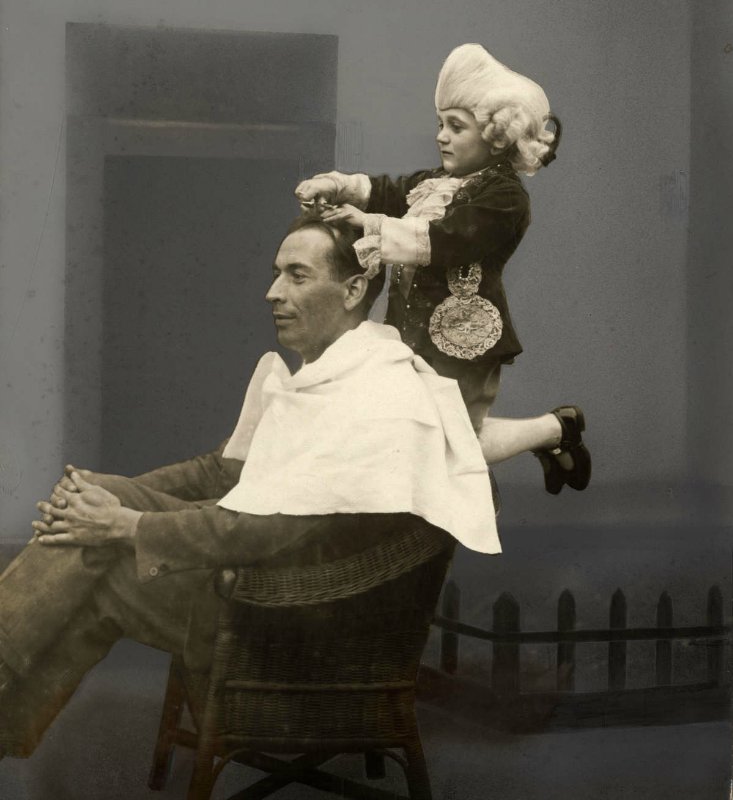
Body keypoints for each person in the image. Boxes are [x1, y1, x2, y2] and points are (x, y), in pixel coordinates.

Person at [0, 215, 500, 759]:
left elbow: (271, 531)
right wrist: (97, 501)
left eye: (297, 276)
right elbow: (228, 473)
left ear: (354, 289)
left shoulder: (377, 394)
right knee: (92, 541)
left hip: (285, 619)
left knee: (98, 560)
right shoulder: (335, 374)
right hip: (263, 587)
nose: (273, 292)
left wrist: (124, 523)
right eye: (276, 274)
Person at [295, 43, 590, 496]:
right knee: (417, 431)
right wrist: (336, 186)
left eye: (456, 126)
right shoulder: (434, 184)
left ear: (496, 136)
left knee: (454, 441)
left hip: (462, 338)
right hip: (411, 331)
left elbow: (447, 240)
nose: (441, 137)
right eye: (440, 125)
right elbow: (386, 191)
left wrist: (368, 223)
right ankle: (529, 449)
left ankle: (555, 430)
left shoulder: (505, 197)